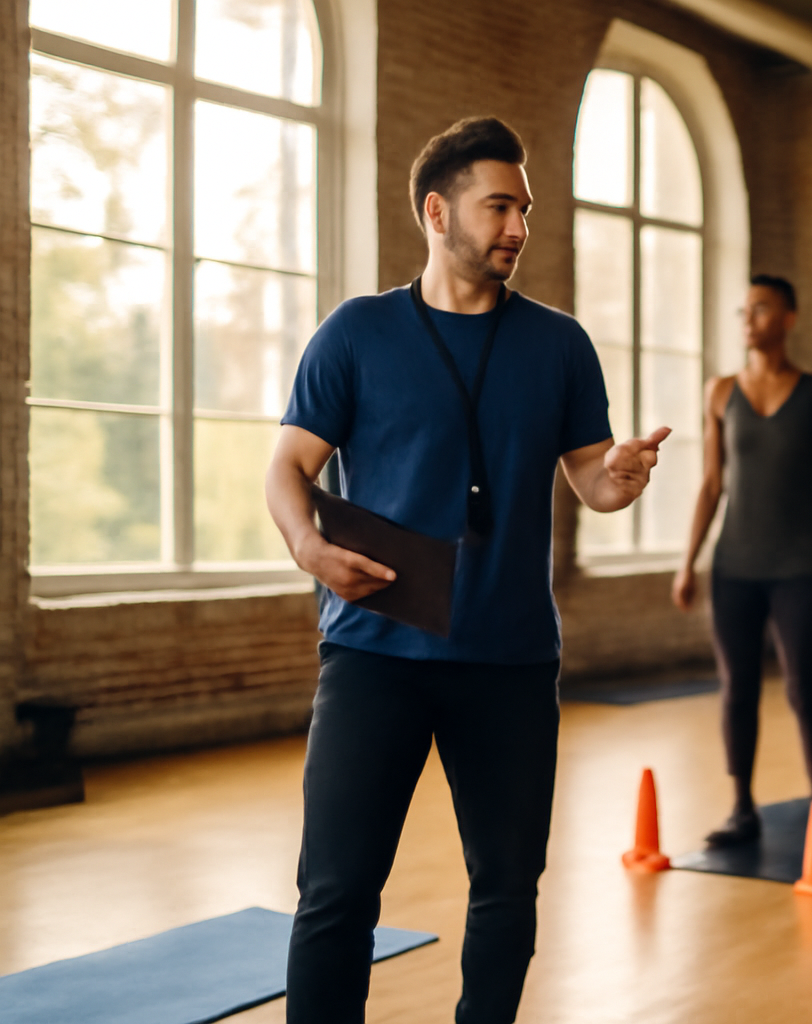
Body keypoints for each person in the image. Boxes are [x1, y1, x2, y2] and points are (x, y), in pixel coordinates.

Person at [265, 116, 669, 1024]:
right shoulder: (356, 333)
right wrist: (307, 546)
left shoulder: (560, 343)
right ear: (437, 212)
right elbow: (288, 467)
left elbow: (591, 480)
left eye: (525, 209)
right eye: (499, 206)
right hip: (374, 655)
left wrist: (620, 475)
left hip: (512, 661)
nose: (518, 227)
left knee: (506, 893)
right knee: (335, 894)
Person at [671, 275, 812, 846]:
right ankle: (741, 807)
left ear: (789, 317)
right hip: (736, 567)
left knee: (806, 688)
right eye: (743, 310)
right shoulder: (720, 392)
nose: (748, 318)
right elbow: (710, 483)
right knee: (737, 688)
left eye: (762, 308)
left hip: (802, 565)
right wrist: (687, 560)